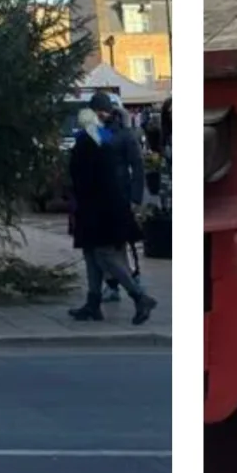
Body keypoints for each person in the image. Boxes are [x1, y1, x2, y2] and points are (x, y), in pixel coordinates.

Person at [67, 108, 156, 325]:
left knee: (104, 255)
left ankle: (139, 296)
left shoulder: (85, 146)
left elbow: (81, 180)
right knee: (91, 254)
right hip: (105, 208)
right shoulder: (104, 142)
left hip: (99, 211)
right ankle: (93, 302)